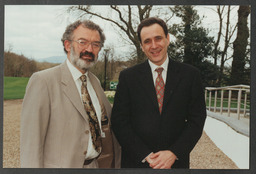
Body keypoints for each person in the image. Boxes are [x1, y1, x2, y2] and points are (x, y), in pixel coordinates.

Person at [20, 20, 120, 168]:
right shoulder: (43, 81)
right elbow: (31, 145)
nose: (89, 49)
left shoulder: (95, 82)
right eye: (82, 42)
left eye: (95, 44)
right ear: (68, 45)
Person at [111, 17, 206, 169]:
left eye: (158, 38)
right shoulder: (128, 77)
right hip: (137, 162)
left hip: (175, 163)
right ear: (142, 46)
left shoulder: (190, 75)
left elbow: (197, 120)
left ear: (167, 39)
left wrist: (174, 152)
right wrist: (144, 154)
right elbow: (119, 121)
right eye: (147, 41)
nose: (154, 46)